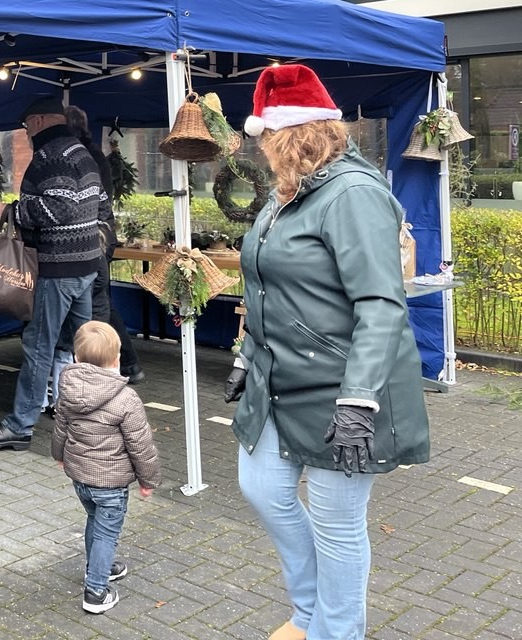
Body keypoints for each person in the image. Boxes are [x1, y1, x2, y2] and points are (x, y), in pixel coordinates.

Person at [225, 64, 430, 640]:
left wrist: (359, 400)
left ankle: (334, 630)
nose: (261, 149)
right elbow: (266, 286)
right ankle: (311, 610)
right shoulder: (285, 195)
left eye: (266, 138)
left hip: (344, 385)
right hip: (279, 378)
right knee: (262, 487)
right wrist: (245, 354)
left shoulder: (353, 194)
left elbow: (381, 304)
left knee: (337, 523)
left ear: (289, 136)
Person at [0, 96, 106, 451]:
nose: (26, 132)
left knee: (38, 347)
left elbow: (60, 208)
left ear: (39, 121)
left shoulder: (51, 155)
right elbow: (101, 204)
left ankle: (20, 426)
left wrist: (12, 210)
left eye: (27, 125)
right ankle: (92, 419)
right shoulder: (82, 152)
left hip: (58, 267)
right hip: (86, 265)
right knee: (82, 347)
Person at [51, 321, 159, 614]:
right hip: (111, 483)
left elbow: (60, 428)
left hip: (80, 479)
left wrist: (59, 455)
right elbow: (141, 445)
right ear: (116, 360)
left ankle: (97, 566)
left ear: (76, 358)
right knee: (106, 532)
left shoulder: (68, 390)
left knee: (94, 520)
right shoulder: (126, 398)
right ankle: (96, 591)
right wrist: (148, 480)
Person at [66, 104, 145, 384]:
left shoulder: (82, 157)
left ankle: (102, 373)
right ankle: (128, 365)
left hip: (94, 241)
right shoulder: (93, 154)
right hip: (102, 237)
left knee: (98, 309)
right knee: (102, 305)